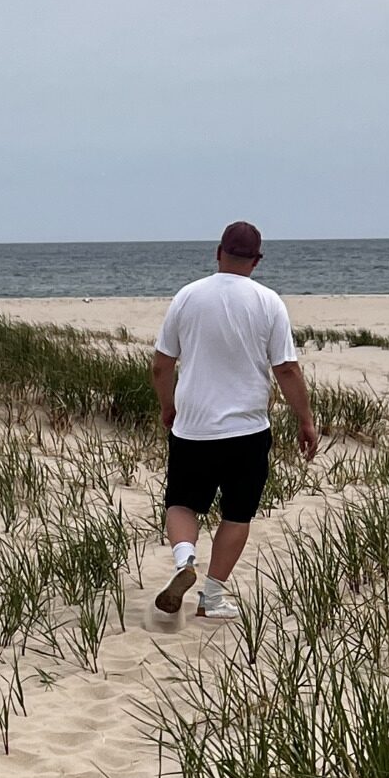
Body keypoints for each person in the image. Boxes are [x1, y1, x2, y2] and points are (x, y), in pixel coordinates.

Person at [150, 221, 317, 620]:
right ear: (257, 261)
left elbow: (161, 365)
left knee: (182, 503)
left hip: (193, 425)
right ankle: (212, 595)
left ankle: (184, 560)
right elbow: (287, 370)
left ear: (218, 252)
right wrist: (305, 420)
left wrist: (167, 407)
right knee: (237, 514)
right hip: (247, 430)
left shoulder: (188, 297)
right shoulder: (268, 302)